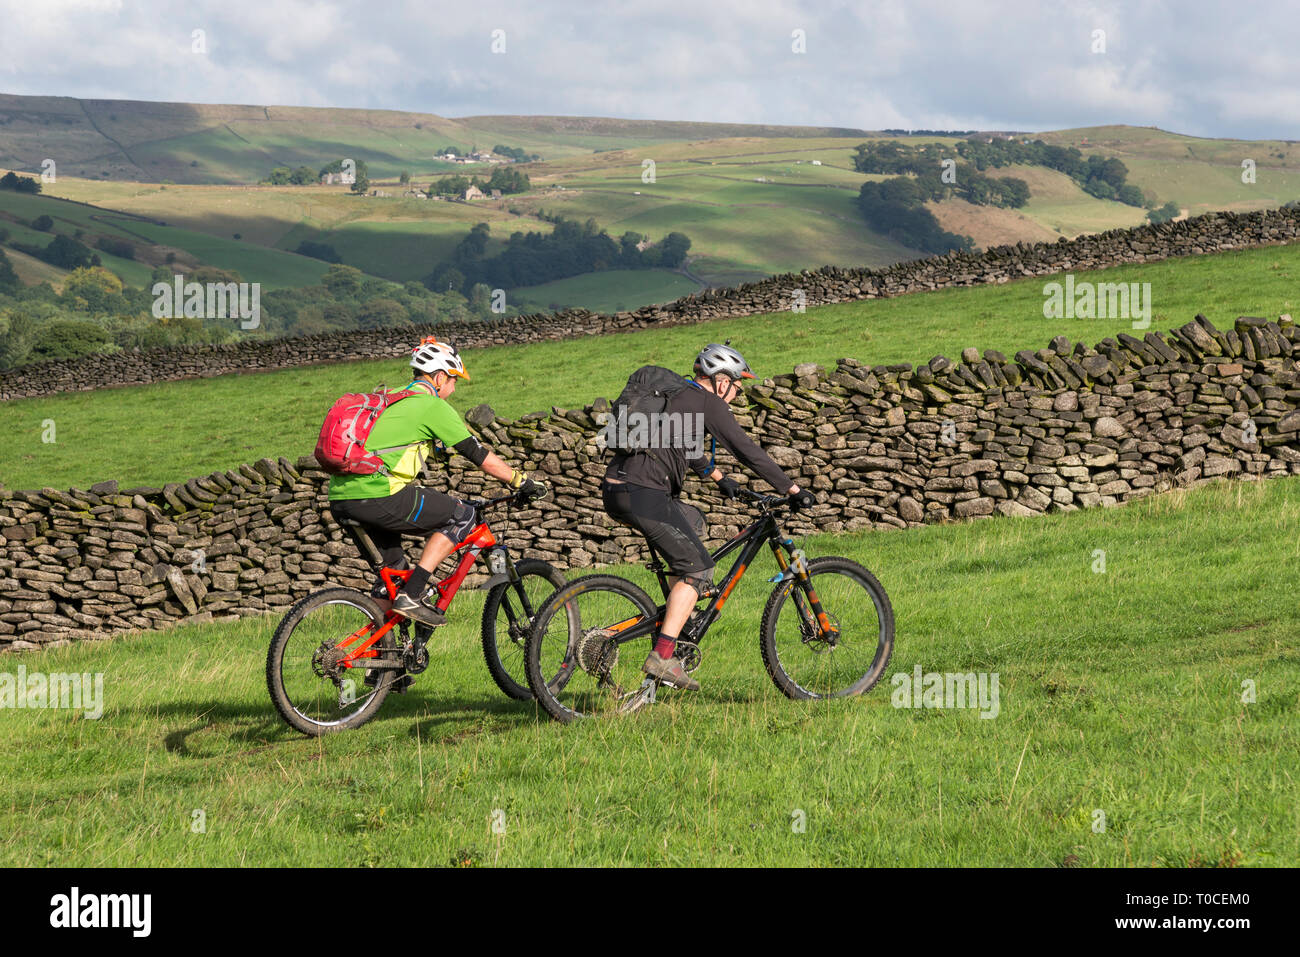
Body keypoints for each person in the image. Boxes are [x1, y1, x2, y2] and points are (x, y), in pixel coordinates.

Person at [602, 342, 815, 691]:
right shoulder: (707, 402)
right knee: (699, 568)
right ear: (721, 380)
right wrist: (791, 489)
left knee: (694, 524)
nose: (737, 393)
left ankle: (680, 615)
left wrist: (720, 479)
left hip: (617, 490)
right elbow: (747, 450)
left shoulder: (680, 397)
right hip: (644, 494)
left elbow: (686, 447)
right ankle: (664, 657)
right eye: (737, 385)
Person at [329, 336, 544, 626]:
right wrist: (522, 481)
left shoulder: (392, 398)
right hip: (379, 494)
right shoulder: (432, 406)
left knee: (391, 579)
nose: (454, 388)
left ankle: (382, 666)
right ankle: (414, 594)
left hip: (343, 497)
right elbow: (479, 455)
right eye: (454, 380)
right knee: (462, 515)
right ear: (440, 377)